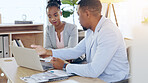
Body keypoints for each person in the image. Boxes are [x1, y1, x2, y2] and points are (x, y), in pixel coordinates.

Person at [31, 0, 129, 82]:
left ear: (87, 14)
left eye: (78, 15)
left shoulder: (108, 32)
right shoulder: (91, 31)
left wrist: (65, 66)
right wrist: (47, 52)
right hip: (97, 78)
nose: (78, 19)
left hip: (113, 80)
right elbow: (75, 51)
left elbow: (94, 70)